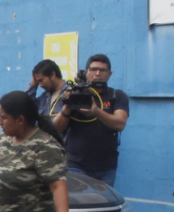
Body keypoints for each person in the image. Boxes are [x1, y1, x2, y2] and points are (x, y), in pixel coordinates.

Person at [51, 54, 129, 186]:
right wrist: (68, 106)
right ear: (86, 71)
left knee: (103, 203)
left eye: (102, 70)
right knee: (79, 203)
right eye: (93, 69)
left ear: (110, 74)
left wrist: (96, 111)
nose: (98, 74)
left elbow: (120, 124)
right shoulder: (74, 92)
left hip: (106, 167)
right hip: (76, 164)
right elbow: (56, 129)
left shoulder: (116, 96)